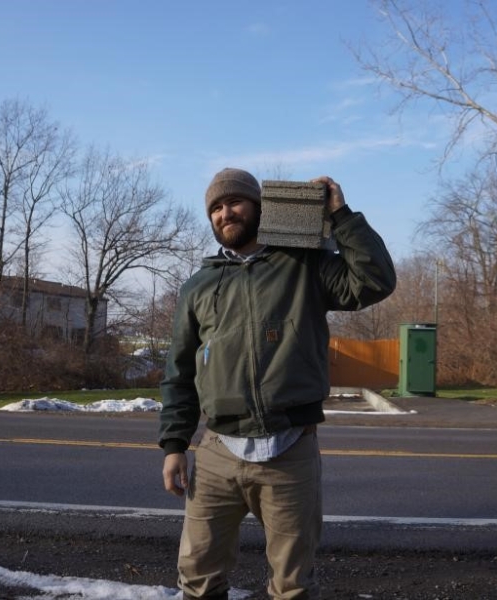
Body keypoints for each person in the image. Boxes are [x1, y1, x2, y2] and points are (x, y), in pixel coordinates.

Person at [158, 167, 396, 599]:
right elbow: (180, 372)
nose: (224, 212)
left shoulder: (304, 265)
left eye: (234, 202)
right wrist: (175, 446)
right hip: (216, 454)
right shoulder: (198, 286)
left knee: (292, 586)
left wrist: (341, 216)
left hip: (289, 450)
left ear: (259, 207)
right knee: (197, 579)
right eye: (215, 207)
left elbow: (374, 281)